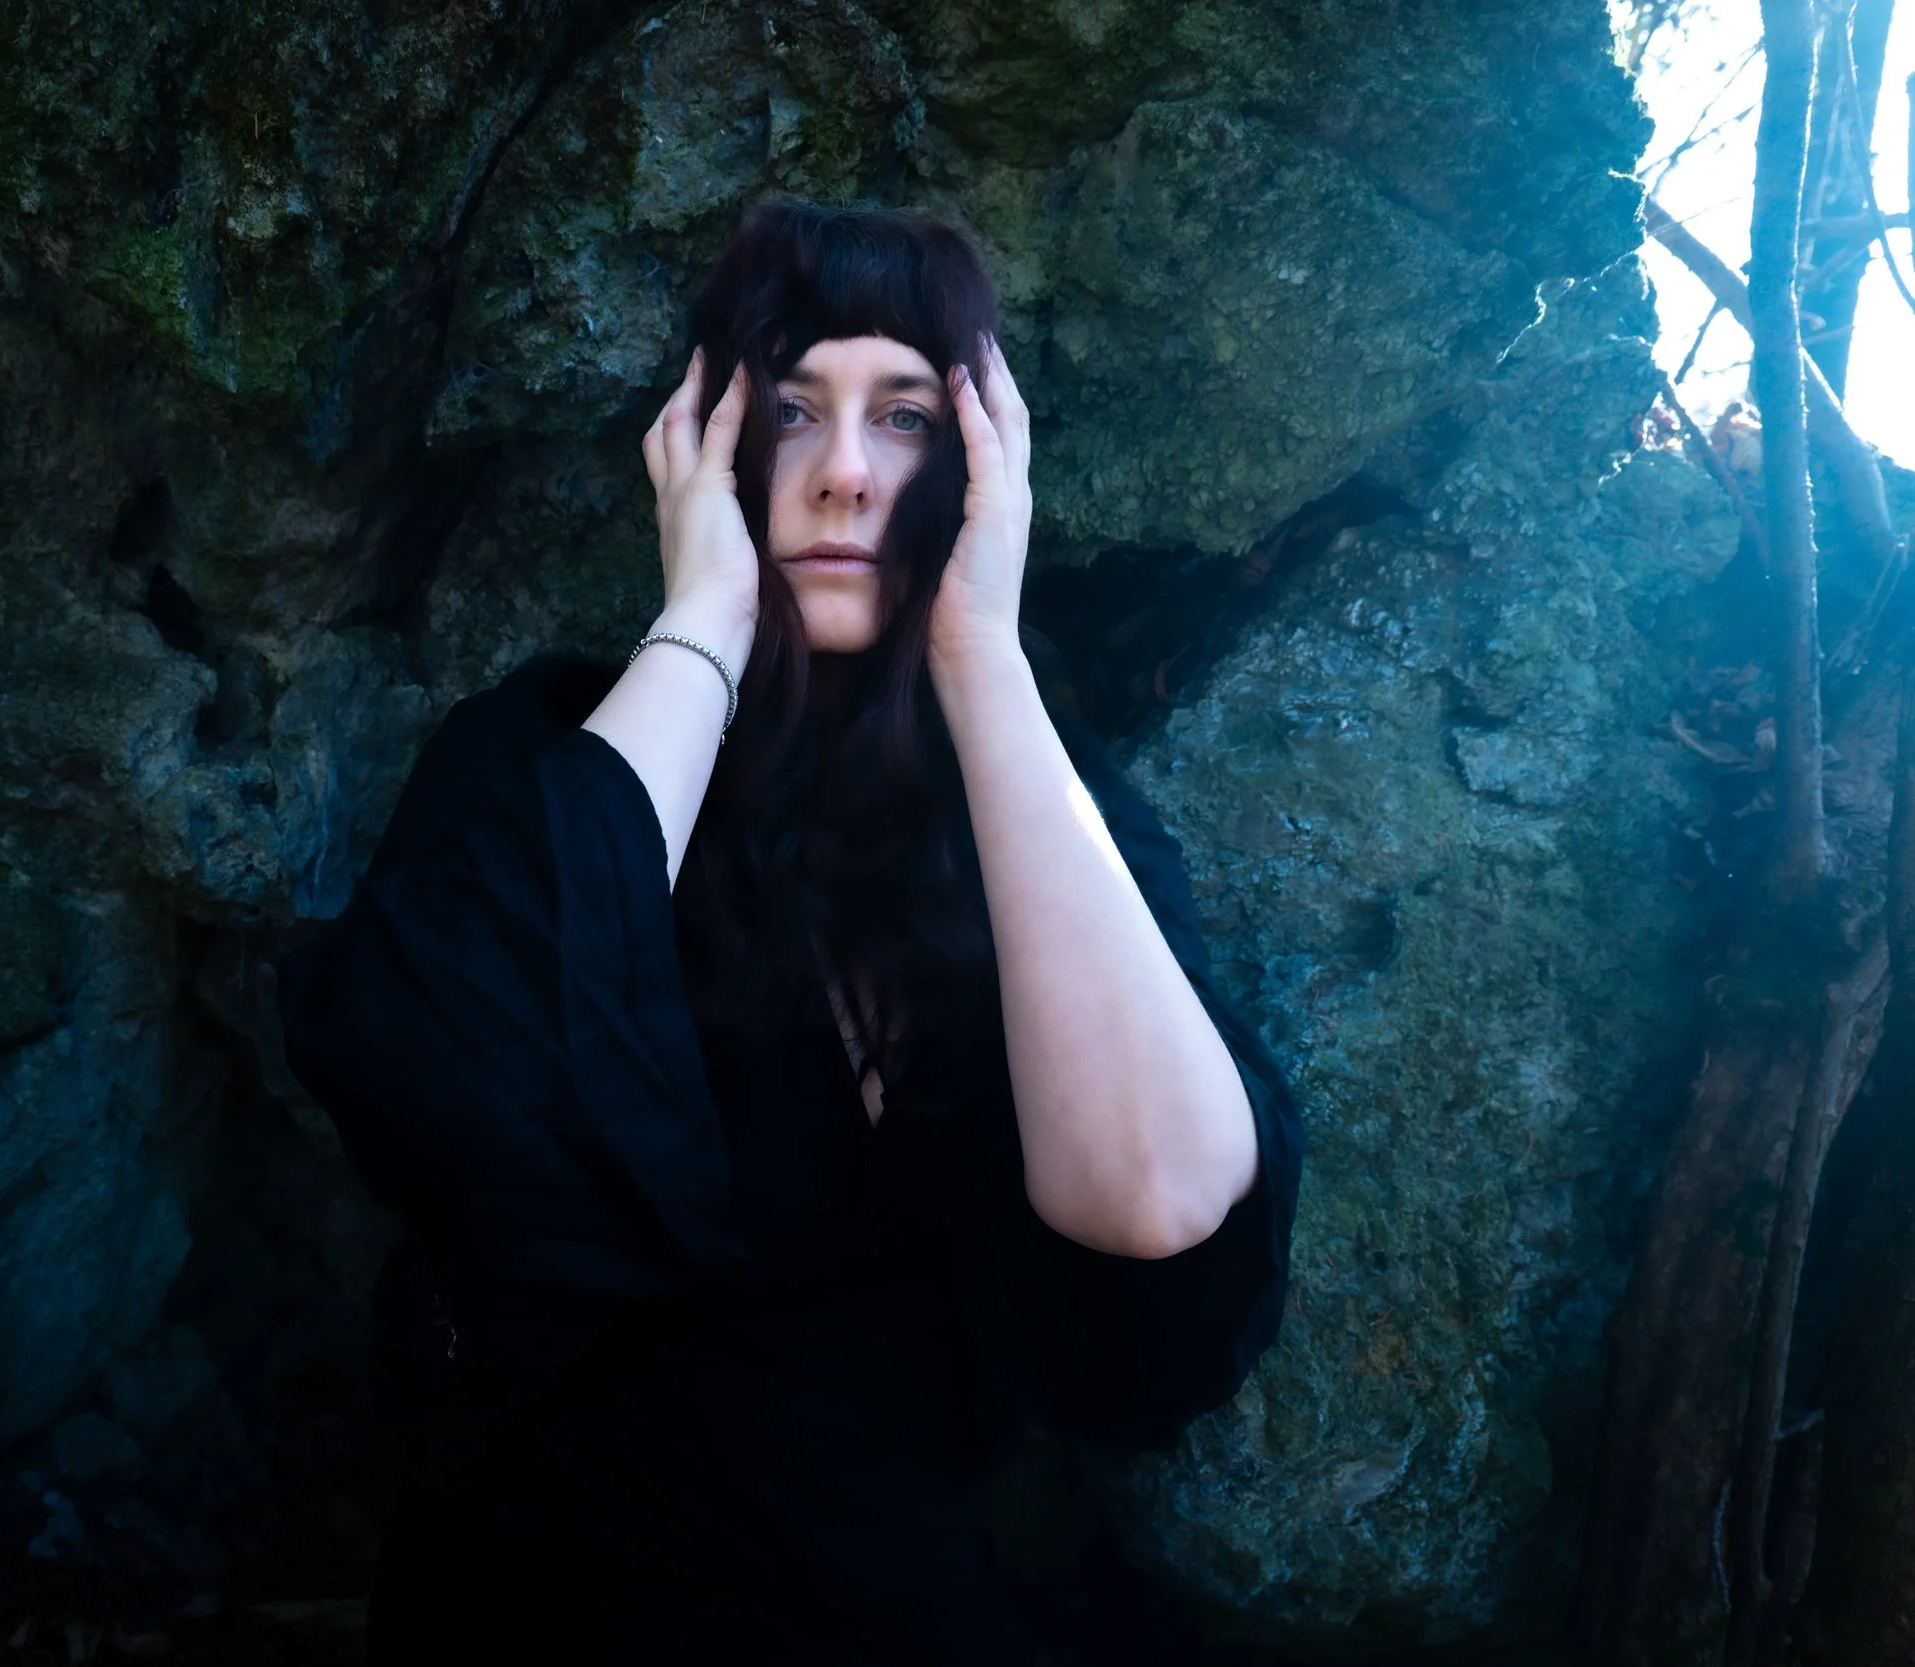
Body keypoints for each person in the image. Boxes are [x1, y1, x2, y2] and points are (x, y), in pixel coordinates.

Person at [279, 198, 1301, 1665]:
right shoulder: (552, 756)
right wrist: (701, 610)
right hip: (546, 1602)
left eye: (903, 419)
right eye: (790, 410)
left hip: (896, 1612)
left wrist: (983, 657)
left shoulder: (1042, 830)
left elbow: (1157, 1200)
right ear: (712, 450)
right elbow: (434, 1074)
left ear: (975, 471)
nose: (838, 475)